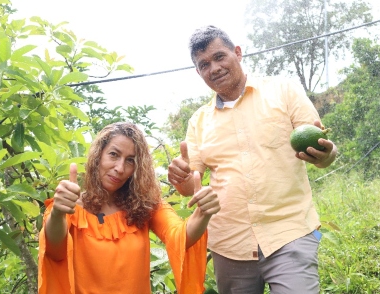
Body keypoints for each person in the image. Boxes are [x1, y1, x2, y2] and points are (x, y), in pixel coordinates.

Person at [167, 26, 338, 293]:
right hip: (230, 245)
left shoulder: (284, 90)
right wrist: (182, 180)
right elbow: (193, 186)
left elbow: (320, 149)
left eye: (219, 57)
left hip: (290, 232)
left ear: (237, 53)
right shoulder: (199, 121)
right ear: (198, 72)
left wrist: (327, 154)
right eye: (204, 64)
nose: (214, 68)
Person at [38, 122, 220, 294]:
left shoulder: (146, 205)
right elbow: (55, 250)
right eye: (114, 154)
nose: (119, 168)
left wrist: (203, 213)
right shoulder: (69, 204)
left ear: (137, 168)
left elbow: (181, 236)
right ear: (98, 156)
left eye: (130, 160)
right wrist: (58, 212)